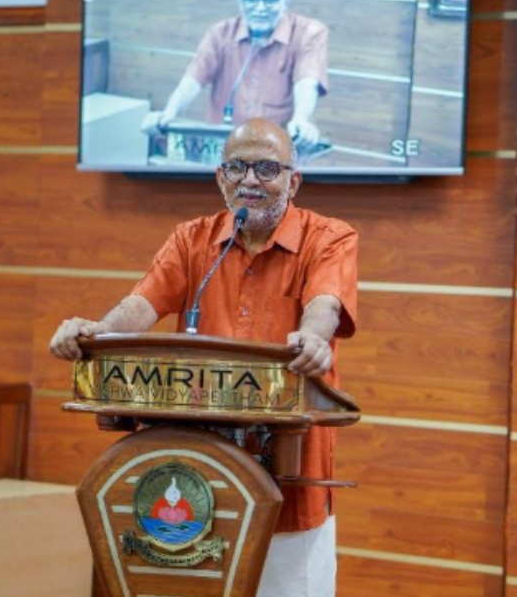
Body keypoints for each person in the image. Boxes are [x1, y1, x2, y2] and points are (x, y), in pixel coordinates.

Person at [50, 118, 357, 597]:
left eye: (266, 168)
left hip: (287, 485)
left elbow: (325, 304)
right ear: (220, 177)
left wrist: (314, 338)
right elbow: (141, 306)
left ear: (293, 181)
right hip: (192, 484)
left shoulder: (329, 237)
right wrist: (97, 330)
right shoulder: (191, 240)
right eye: (237, 167)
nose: (250, 180)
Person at [140, 0, 328, 151]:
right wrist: (170, 111)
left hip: (278, 151)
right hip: (224, 148)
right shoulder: (220, 33)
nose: (260, 8)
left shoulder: (309, 32)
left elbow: (306, 82)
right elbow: (193, 79)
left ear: (286, 2)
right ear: (240, 1)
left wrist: (301, 119)